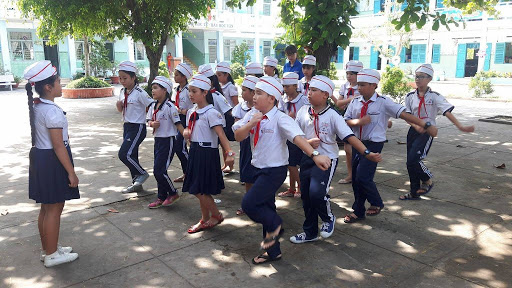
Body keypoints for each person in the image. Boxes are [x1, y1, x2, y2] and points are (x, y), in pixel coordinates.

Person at [233, 76, 331, 265]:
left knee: (249, 204)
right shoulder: (253, 114)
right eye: (254, 92)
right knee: (266, 207)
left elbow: (298, 138)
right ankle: (273, 251)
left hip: (275, 171)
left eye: (259, 93)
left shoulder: (280, 118)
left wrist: (315, 154)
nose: (254, 96)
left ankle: (276, 223)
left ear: (272, 98)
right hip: (258, 168)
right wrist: (251, 123)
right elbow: (237, 136)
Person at [290, 75, 382, 244]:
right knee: (306, 197)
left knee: (317, 193)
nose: (309, 93)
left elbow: (349, 136)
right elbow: (295, 135)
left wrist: (367, 153)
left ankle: (328, 218)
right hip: (307, 158)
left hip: (327, 160)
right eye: (309, 90)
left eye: (314, 90)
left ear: (326, 95)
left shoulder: (333, 115)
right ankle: (310, 232)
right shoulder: (303, 111)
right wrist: (308, 143)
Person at [343, 69, 438, 223]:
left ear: (374, 85)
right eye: (358, 85)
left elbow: (404, 114)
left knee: (363, 177)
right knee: (356, 179)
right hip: (357, 143)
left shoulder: (383, 102)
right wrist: (358, 122)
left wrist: (425, 124)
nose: (358, 88)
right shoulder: (355, 102)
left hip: (374, 144)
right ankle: (358, 211)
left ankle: (376, 202)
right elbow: (345, 120)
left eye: (362, 85)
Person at [24, 60, 79, 267]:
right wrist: (71, 172)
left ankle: (48, 249)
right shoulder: (52, 111)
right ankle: (52, 255)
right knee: (55, 208)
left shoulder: (38, 107)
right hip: (53, 161)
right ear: (48, 87)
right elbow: (58, 146)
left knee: (47, 208)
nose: (61, 84)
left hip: (41, 158)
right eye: (58, 81)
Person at [400, 64, 475, 200]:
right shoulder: (410, 96)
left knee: (414, 160)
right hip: (413, 131)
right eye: (416, 76)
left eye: (422, 77)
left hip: (428, 132)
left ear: (429, 79)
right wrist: (415, 126)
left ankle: (427, 179)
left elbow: (447, 112)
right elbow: (407, 115)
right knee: (410, 163)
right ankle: (414, 192)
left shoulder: (435, 96)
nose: (418, 79)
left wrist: (460, 126)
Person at [182, 74, 235, 233]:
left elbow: (221, 135)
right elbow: (191, 130)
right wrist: (186, 131)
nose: (190, 94)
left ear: (205, 92)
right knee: (201, 188)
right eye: (189, 91)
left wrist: (229, 153)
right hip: (195, 151)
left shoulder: (211, 113)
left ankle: (217, 215)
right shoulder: (192, 111)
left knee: (197, 189)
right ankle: (205, 219)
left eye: (194, 91)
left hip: (207, 153)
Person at [146, 76, 185, 208]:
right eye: (152, 88)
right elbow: (148, 120)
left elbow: (178, 124)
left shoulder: (170, 107)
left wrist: (187, 137)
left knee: (159, 170)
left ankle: (173, 193)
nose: (153, 91)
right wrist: (152, 123)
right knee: (159, 169)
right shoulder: (153, 105)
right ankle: (161, 197)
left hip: (168, 141)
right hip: (158, 140)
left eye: (156, 88)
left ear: (165, 90)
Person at [115, 61, 154, 193]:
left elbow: (152, 105)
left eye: (125, 78)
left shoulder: (140, 92)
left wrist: (151, 120)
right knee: (133, 155)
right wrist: (119, 106)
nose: (122, 81)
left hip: (137, 127)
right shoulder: (122, 91)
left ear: (133, 77)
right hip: (126, 126)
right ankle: (136, 183)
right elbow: (121, 110)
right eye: (120, 78)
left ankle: (142, 174)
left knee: (124, 154)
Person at [277, 72, 309, 198]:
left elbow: (308, 116)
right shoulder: (283, 99)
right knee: (290, 163)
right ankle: (291, 188)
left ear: (296, 85)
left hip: (299, 136)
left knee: (294, 163)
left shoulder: (304, 100)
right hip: (287, 135)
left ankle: (300, 187)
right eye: (284, 86)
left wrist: (294, 118)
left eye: (288, 86)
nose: (285, 89)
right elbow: (279, 114)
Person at [199, 64, 235, 172]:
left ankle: (229, 165)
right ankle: (224, 165)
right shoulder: (206, 95)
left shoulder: (216, 95)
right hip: (209, 126)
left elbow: (228, 110)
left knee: (224, 146)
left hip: (219, 125)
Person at [231, 75, 259, 215]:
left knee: (260, 175)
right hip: (246, 145)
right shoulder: (240, 108)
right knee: (247, 174)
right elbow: (237, 128)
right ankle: (248, 202)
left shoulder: (263, 109)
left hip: (260, 145)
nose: (242, 93)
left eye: (245, 90)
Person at [336, 60, 363, 185]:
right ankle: (350, 174)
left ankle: (360, 174)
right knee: (348, 149)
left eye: (352, 73)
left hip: (361, 121)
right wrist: (350, 99)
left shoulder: (363, 86)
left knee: (361, 148)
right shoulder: (345, 86)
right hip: (348, 120)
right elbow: (339, 103)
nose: (349, 76)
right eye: (347, 73)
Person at [171, 63, 193, 183]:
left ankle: (190, 172)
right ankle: (187, 172)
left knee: (180, 147)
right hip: (177, 119)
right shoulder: (176, 89)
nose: (175, 77)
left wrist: (184, 111)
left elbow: (196, 106)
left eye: (177, 75)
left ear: (184, 77)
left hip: (186, 120)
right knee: (178, 147)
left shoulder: (190, 89)